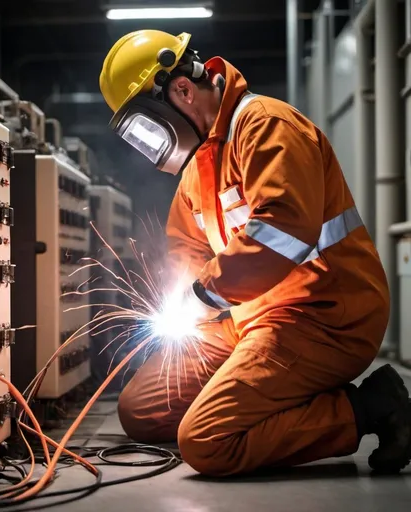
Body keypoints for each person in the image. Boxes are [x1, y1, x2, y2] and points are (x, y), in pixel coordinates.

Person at [99, 29, 411, 476]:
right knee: (142, 411)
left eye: (148, 126)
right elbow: (185, 247)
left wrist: (205, 294)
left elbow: (284, 229)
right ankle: (267, 396)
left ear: (182, 89)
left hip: (322, 315)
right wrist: (187, 302)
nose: (151, 142)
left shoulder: (266, 126)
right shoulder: (202, 164)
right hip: (246, 318)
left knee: (205, 442)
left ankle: (368, 407)